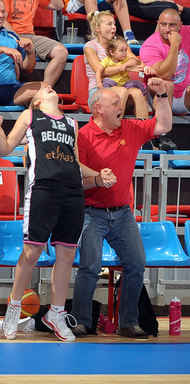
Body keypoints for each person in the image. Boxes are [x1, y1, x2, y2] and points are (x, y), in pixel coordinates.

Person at [0, 85, 116, 342]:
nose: (47, 86)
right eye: (41, 88)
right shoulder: (30, 117)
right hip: (44, 189)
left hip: (72, 192)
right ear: (36, 101)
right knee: (32, 251)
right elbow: (5, 149)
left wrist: (96, 175)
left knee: (67, 253)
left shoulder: (72, 123)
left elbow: (74, 161)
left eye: (48, 86)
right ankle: (14, 307)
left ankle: (56, 313)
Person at [71, 80, 172, 339]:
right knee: (89, 267)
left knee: (137, 264)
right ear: (98, 109)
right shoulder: (82, 136)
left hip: (123, 213)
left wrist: (159, 94)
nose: (121, 107)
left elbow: (164, 125)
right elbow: (74, 180)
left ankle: (128, 322)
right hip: (91, 212)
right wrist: (96, 179)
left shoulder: (129, 128)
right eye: (115, 103)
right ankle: (82, 322)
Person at [81, 10, 172, 149]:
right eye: (109, 24)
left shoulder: (120, 44)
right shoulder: (90, 46)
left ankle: (146, 139)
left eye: (114, 24)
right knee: (122, 91)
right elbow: (101, 71)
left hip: (122, 90)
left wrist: (145, 67)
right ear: (97, 28)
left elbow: (135, 61)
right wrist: (123, 67)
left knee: (136, 93)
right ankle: (114, 136)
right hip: (98, 91)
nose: (113, 27)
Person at [0, 0, 68, 88]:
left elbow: (59, 5)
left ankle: (44, 91)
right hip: (7, 35)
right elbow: (2, 20)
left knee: (61, 52)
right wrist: (17, 37)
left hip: (29, 37)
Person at [140, 8, 190, 115]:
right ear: (158, 24)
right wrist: (174, 45)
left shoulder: (187, 32)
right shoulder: (149, 46)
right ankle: (162, 128)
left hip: (185, 95)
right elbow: (166, 74)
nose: (167, 29)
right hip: (159, 94)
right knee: (166, 85)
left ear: (180, 25)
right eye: (163, 24)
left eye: (172, 25)